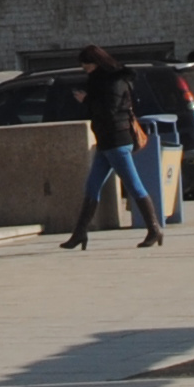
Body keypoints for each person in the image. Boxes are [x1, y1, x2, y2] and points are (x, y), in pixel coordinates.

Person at [62, 46, 165, 252]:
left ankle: (154, 229)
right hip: (106, 141)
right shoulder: (100, 79)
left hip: (117, 140)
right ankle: (79, 233)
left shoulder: (114, 80)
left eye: (87, 64)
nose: (84, 68)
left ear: (97, 62)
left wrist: (87, 100)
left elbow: (109, 110)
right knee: (92, 186)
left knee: (134, 185)